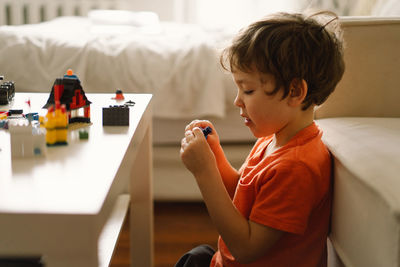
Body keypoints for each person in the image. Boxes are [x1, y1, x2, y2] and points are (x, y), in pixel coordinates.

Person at [177, 10, 345, 267]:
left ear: (295, 92)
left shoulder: (295, 167)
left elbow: (245, 248)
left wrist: (205, 172)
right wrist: (215, 156)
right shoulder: (273, 140)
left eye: (248, 90)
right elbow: (241, 197)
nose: (237, 101)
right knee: (197, 256)